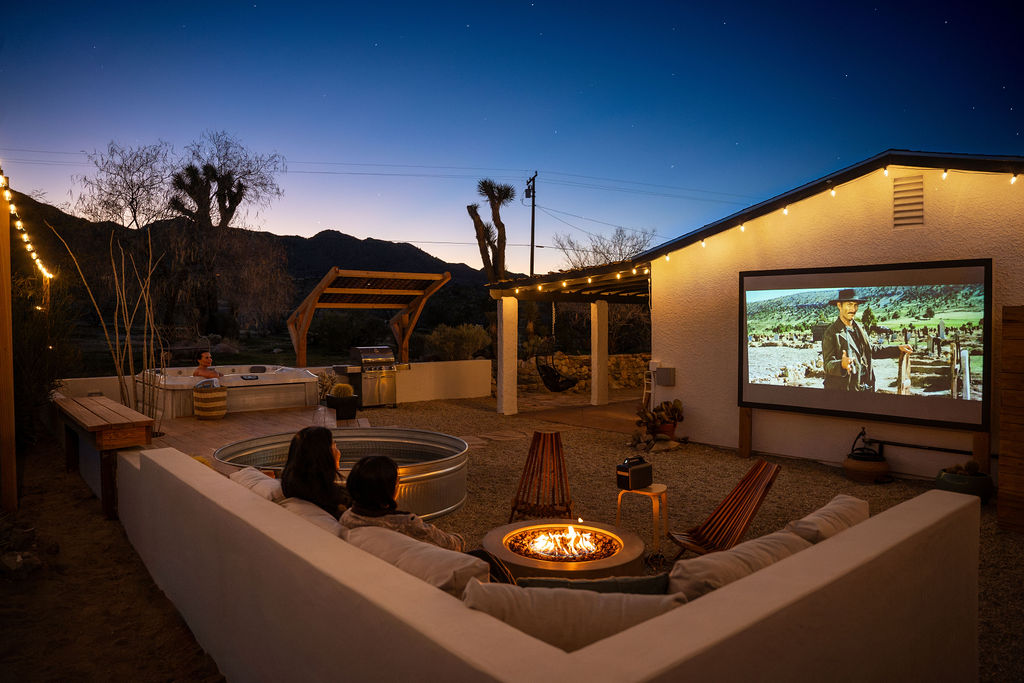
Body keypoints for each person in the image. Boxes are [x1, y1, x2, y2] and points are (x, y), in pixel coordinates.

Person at [341, 455, 465, 550]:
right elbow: (452, 545)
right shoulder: (405, 524)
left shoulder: (347, 518)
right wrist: (459, 539)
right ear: (388, 489)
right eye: (397, 480)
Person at [821, 289, 912, 391]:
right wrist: (841, 364)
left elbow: (871, 350)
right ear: (839, 305)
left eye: (855, 305)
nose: (853, 309)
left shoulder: (860, 328)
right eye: (849, 305)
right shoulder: (831, 333)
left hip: (866, 387)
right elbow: (828, 365)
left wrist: (898, 349)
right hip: (844, 390)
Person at [281, 426, 351, 519]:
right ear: (324, 457)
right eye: (333, 445)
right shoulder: (338, 501)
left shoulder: (293, 487)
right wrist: (334, 466)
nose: (338, 452)